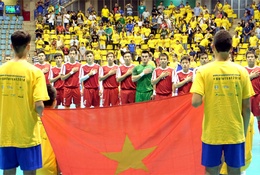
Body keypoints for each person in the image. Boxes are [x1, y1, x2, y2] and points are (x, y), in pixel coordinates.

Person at [190, 30, 254, 175]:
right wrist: (242, 134)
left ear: (212, 47)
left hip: (212, 133)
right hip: (235, 132)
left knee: (211, 171)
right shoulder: (242, 71)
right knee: (234, 170)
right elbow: (247, 108)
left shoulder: (203, 71)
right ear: (231, 48)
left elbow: (195, 102)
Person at [0, 30, 49, 175]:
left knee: (8, 171)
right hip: (28, 135)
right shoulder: (35, 72)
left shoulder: (1, 70)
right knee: (29, 172)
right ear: (28, 47)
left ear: (11, 46)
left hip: (5, 133)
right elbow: (39, 105)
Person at [37, 84, 59, 175]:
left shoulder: (30, 120)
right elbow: (62, 152)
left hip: (30, 169)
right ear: (55, 102)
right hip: (50, 170)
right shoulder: (59, 123)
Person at [245, 50, 260, 133]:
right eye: (248, 57)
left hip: (257, 97)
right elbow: (240, 83)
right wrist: (250, 77)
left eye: (252, 57)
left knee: (259, 118)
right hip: (246, 97)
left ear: (255, 58)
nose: (250, 58)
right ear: (246, 59)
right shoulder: (242, 70)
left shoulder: (259, 69)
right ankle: (245, 138)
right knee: (245, 118)